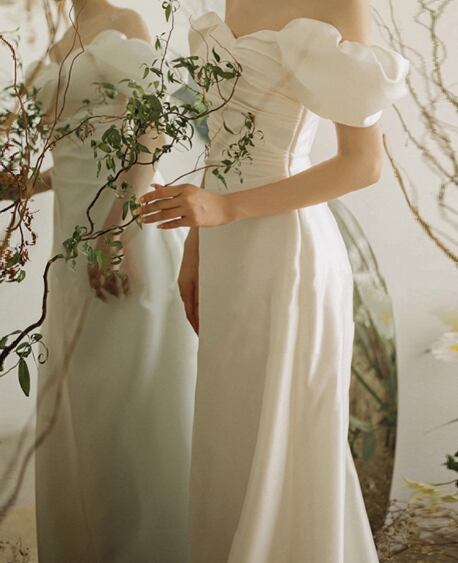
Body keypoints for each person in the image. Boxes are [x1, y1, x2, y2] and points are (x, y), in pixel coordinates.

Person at [137, 0, 410, 561]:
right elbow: (222, 146)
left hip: (288, 252)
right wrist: (197, 244)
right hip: (226, 249)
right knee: (231, 428)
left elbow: (363, 164)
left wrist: (225, 210)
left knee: (287, 432)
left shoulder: (339, 5)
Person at [5, 1, 198, 561]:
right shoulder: (58, 41)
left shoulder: (126, 23)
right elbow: (75, 151)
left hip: (121, 228)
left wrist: (114, 234)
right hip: (69, 240)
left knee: (130, 395)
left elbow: (153, 131)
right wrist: (27, 185)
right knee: (85, 400)